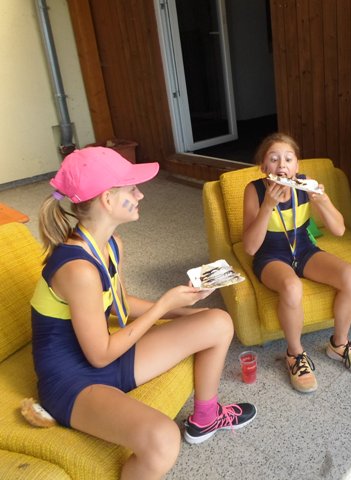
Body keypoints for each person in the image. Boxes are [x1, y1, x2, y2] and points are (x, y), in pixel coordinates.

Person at [31, 147, 256, 479]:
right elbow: (100, 356)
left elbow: (119, 303)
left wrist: (181, 310)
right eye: (132, 189)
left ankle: (206, 418)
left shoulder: (112, 244)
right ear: (107, 199)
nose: (140, 195)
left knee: (217, 322)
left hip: (108, 353)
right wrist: (164, 305)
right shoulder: (78, 269)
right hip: (72, 381)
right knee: (163, 440)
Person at [242, 133, 351, 393]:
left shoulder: (304, 185)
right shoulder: (254, 190)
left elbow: (338, 230)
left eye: (288, 159)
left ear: (297, 166)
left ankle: (339, 344)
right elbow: (250, 247)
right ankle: (295, 354)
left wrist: (321, 200)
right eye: (274, 159)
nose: (282, 164)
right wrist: (267, 206)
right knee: (292, 287)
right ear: (264, 167)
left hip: (304, 250)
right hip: (270, 256)